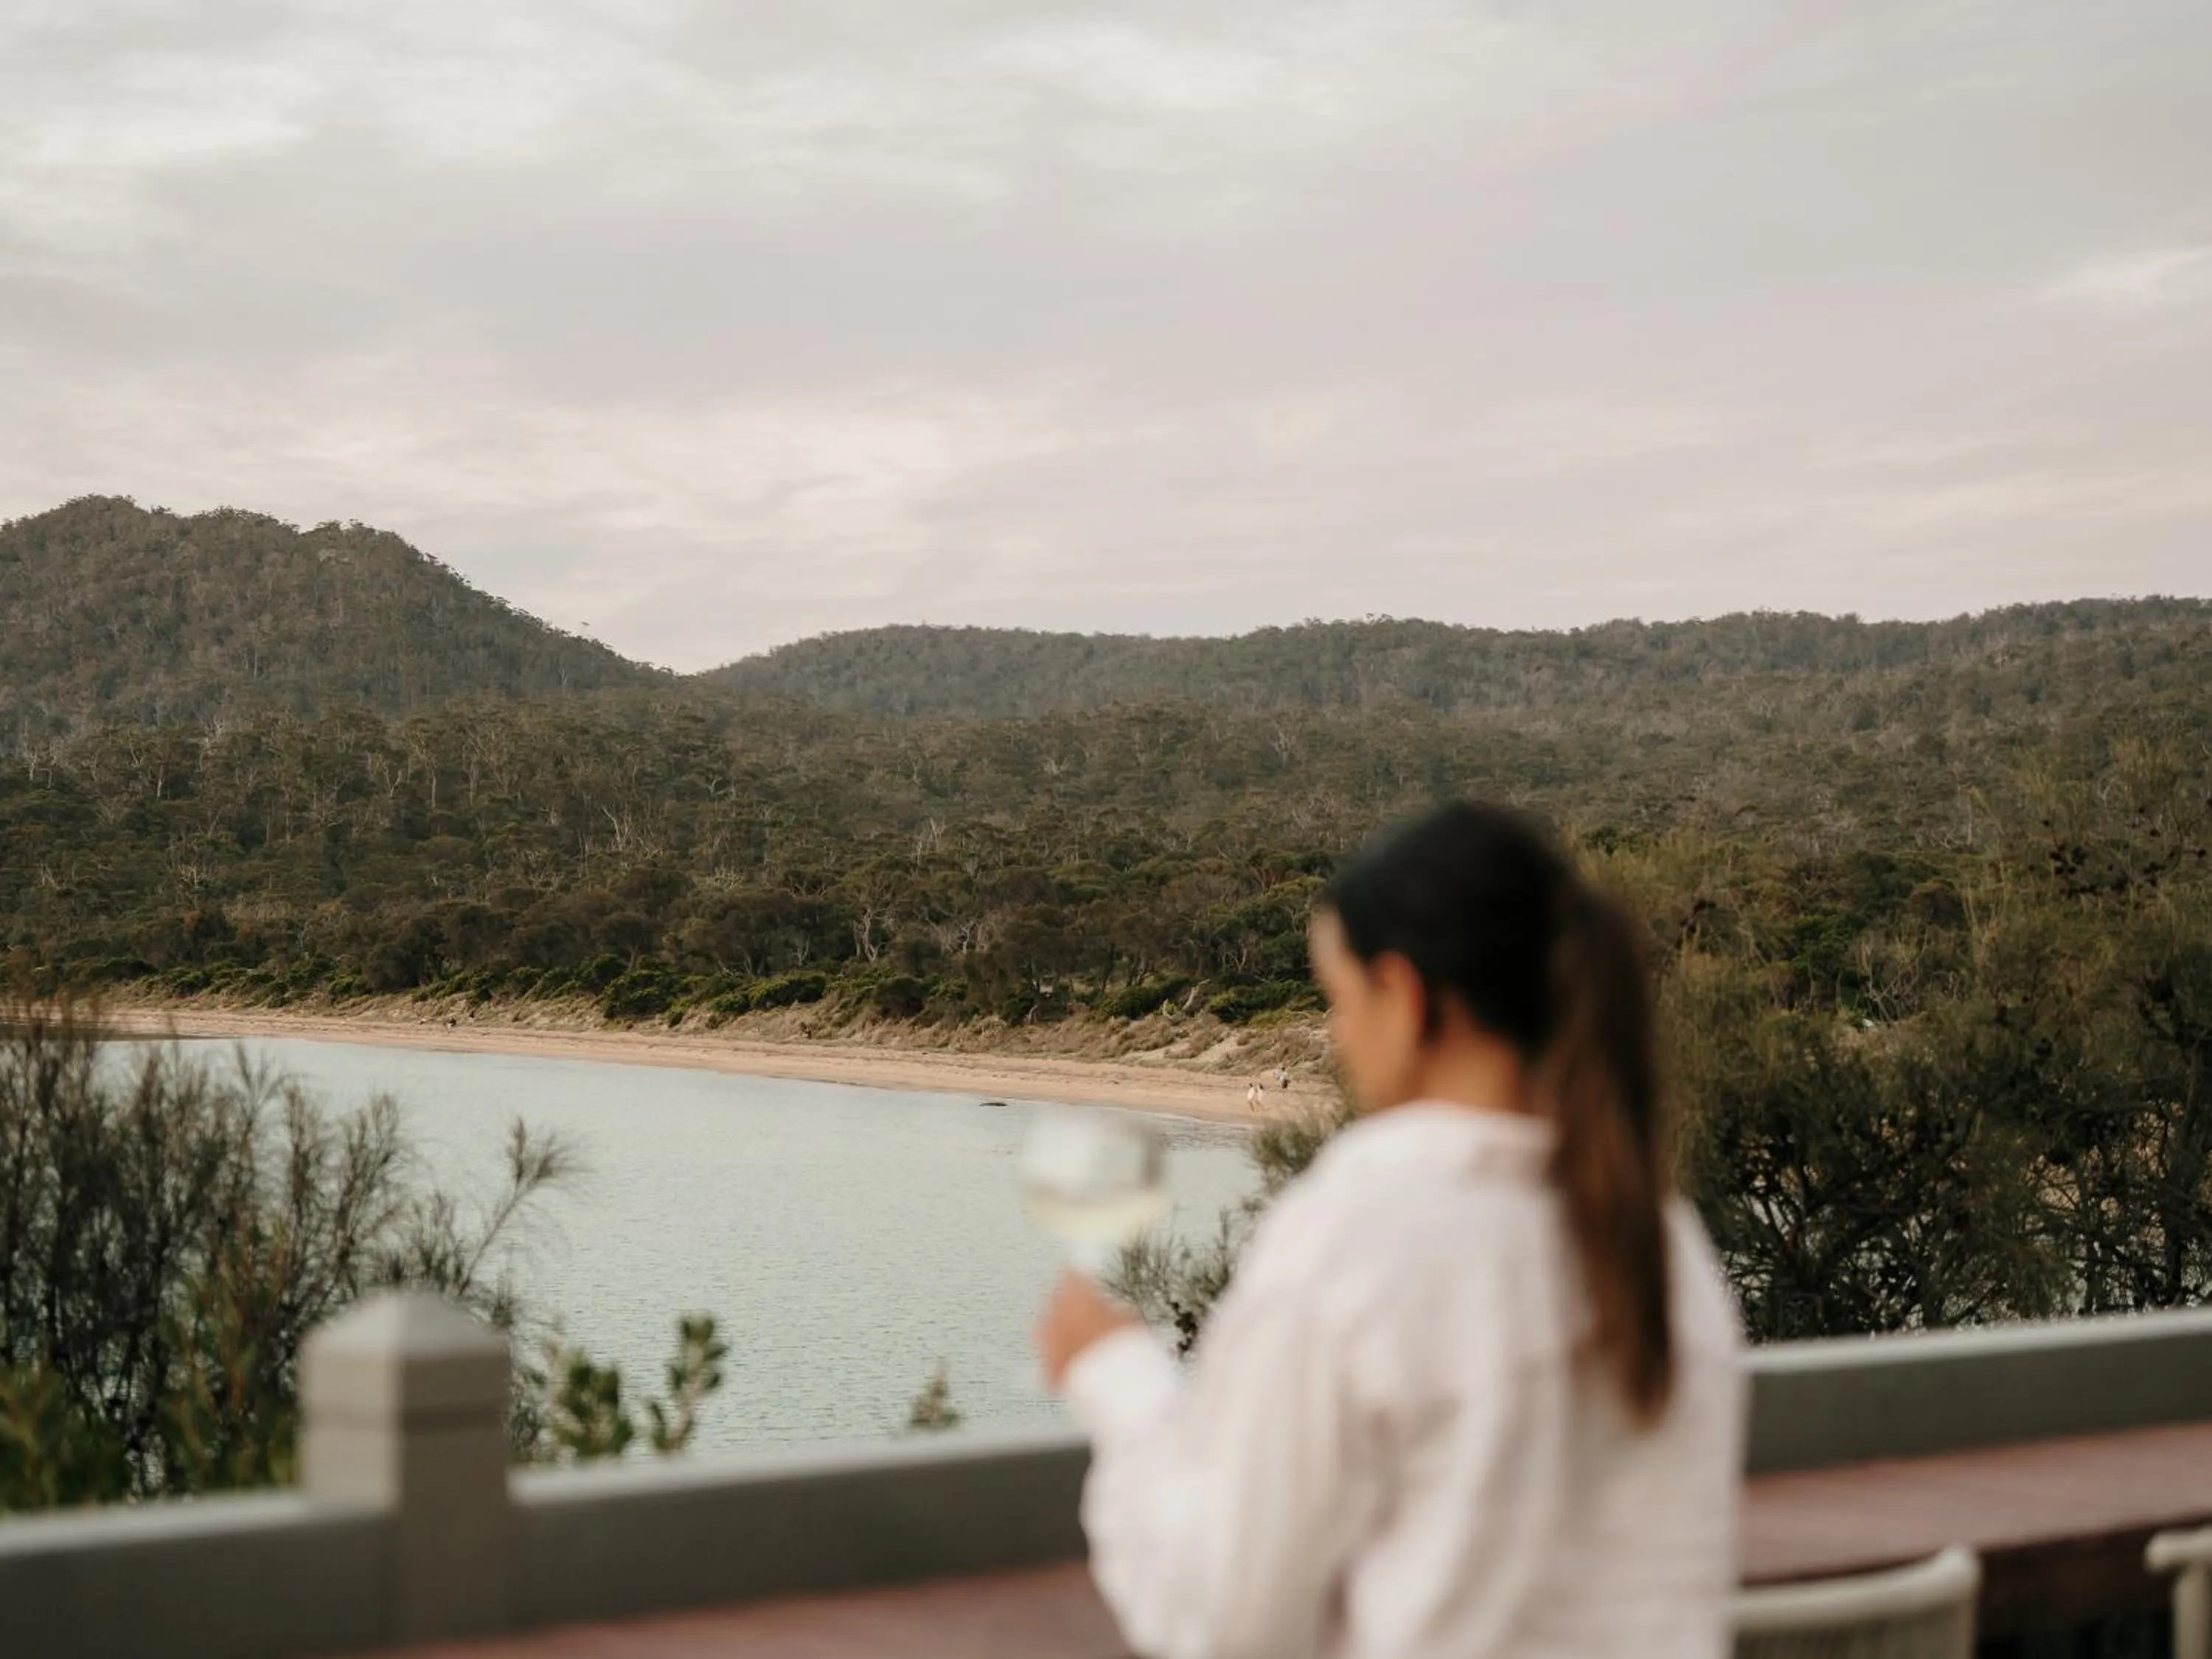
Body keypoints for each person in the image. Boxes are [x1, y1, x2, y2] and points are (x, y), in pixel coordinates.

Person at [1035, 801, 1745, 1659]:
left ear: (1405, 999)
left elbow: (1225, 1621)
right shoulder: (1662, 1239)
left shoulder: (1363, 1230)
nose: (1341, 1038)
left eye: (1340, 1000)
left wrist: (1115, 1377)